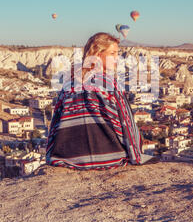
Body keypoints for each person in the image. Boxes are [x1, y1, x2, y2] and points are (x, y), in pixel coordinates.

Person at [45, 32, 157, 170]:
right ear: (97, 54)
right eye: (113, 53)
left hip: (68, 159)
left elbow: (55, 125)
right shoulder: (109, 83)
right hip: (110, 158)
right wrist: (137, 156)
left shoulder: (68, 84)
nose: (117, 58)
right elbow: (127, 124)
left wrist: (50, 156)